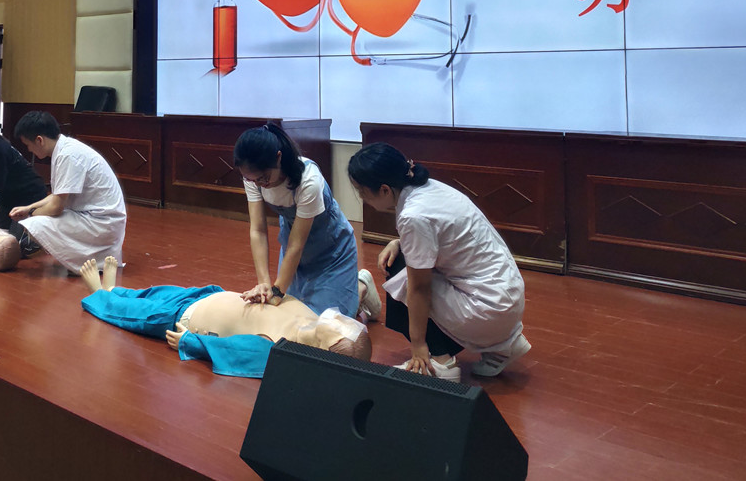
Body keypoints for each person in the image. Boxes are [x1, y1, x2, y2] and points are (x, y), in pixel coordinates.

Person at [348, 142, 529, 382]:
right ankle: (503, 345)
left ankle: (440, 362)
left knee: (399, 270)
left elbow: (419, 289)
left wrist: (418, 345)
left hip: (487, 309)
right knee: (404, 256)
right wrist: (400, 241)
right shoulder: (431, 187)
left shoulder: (413, 215)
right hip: (508, 298)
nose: (362, 198)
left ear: (384, 190)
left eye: (362, 192)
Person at [79, 257, 371, 378]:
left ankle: (101, 297)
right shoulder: (309, 316)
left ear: (320, 349)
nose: (336, 318)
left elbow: (233, 351)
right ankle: (114, 290)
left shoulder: (278, 348)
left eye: (336, 325)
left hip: (183, 318)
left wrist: (191, 342)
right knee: (154, 292)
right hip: (208, 296)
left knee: (136, 313)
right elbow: (280, 296)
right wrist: (268, 291)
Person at [234, 123, 359, 317]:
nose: (259, 184)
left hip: (331, 249)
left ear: (278, 157)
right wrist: (264, 284)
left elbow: (296, 245)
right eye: (252, 180)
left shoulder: (308, 180)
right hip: (294, 243)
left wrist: (277, 292)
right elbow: (258, 229)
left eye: (264, 178)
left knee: (329, 320)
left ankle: (361, 285)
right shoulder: (253, 176)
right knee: (291, 316)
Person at [8, 111, 126, 274]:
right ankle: (80, 259)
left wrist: (30, 214)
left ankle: (83, 260)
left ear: (39, 140)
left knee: (33, 225)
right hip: (98, 219)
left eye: (28, 145)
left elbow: (56, 207)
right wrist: (29, 207)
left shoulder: (68, 155)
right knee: (33, 220)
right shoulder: (65, 149)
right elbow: (57, 195)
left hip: (102, 223)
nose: (29, 150)